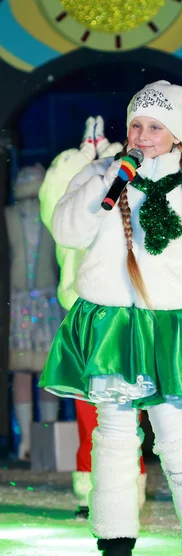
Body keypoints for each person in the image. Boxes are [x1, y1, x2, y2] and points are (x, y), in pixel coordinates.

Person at [39, 80, 182, 556]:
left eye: (155, 127)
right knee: (115, 434)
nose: (143, 136)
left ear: (176, 136)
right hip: (109, 324)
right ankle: (116, 538)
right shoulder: (101, 173)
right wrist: (104, 185)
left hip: (166, 328)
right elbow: (66, 231)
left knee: (177, 432)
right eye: (137, 126)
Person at [39, 115, 147, 518]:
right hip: (81, 308)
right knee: (88, 404)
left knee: (125, 401)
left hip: (123, 308)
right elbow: (54, 199)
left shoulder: (126, 184)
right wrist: (83, 155)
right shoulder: (73, 196)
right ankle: (90, 486)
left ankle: (129, 487)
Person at [7, 164, 62, 460]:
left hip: (47, 300)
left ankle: (45, 444)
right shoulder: (8, 217)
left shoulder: (52, 216)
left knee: (46, 372)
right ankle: (27, 442)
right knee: (23, 372)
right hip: (18, 302)